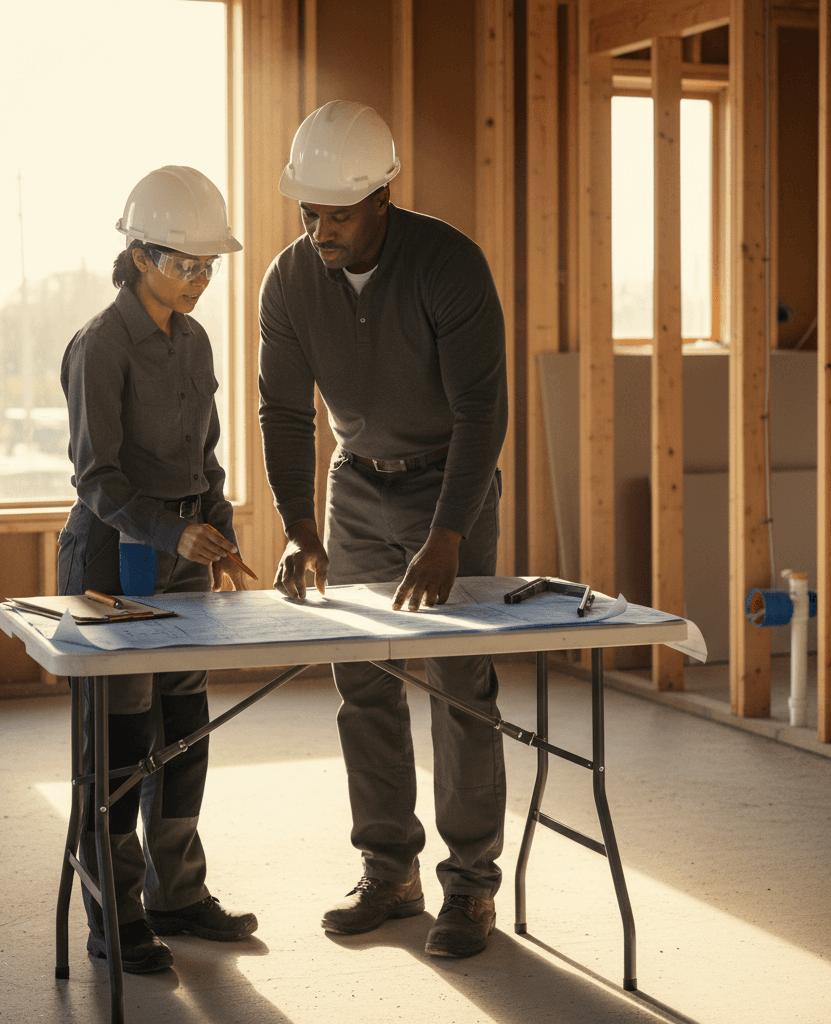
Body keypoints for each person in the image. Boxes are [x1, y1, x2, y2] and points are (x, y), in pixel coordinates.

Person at [258, 101, 509, 958]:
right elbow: (285, 412)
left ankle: (470, 889)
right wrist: (298, 527)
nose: (320, 228)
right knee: (361, 680)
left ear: (382, 198)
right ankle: (389, 870)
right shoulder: (289, 281)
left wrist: (450, 534)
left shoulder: (449, 265)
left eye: (337, 212)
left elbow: (483, 412)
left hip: (450, 480)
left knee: (456, 684)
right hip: (354, 484)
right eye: (309, 211)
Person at [58, 166, 257, 974]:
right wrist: (174, 535)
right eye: (186, 266)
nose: (200, 281)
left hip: (181, 558)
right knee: (119, 744)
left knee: (184, 732)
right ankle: (117, 916)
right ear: (140, 255)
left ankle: (179, 895)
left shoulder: (197, 339)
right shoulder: (99, 347)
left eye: (209, 267)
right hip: (116, 558)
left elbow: (203, 459)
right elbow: (98, 480)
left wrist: (219, 530)